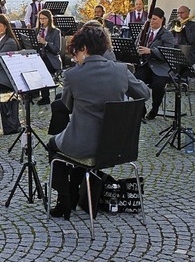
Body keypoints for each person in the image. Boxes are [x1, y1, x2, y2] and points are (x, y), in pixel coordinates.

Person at [47, 23, 150, 219]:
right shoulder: (121, 70)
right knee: (77, 147)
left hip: (85, 147)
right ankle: (76, 194)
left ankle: (65, 199)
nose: (75, 57)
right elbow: (144, 93)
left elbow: (67, 106)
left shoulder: (73, 75)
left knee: (53, 145)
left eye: (76, 52)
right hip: (117, 147)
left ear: (84, 49)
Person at [48, 20, 117, 135]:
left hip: (93, 97)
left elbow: (89, 77)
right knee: (58, 97)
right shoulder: (104, 50)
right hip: (94, 92)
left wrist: (79, 65)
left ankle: (59, 137)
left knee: (57, 105)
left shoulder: (101, 53)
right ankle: (64, 133)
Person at [134, 7, 176, 120]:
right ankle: (141, 110)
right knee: (134, 81)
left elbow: (168, 52)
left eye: (155, 19)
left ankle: (155, 109)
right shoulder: (145, 32)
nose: (151, 22)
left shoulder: (167, 35)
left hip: (161, 67)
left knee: (158, 85)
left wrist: (151, 51)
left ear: (162, 19)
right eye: (150, 19)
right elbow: (136, 43)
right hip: (146, 65)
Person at [34, 9, 62, 105]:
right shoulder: (36, 30)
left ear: (50, 19)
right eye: (40, 19)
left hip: (51, 60)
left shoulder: (55, 32)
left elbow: (56, 50)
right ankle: (33, 94)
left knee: (42, 68)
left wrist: (45, 43)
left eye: (44, 18)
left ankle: (45, 97)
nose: (42, 21)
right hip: (39, 57)